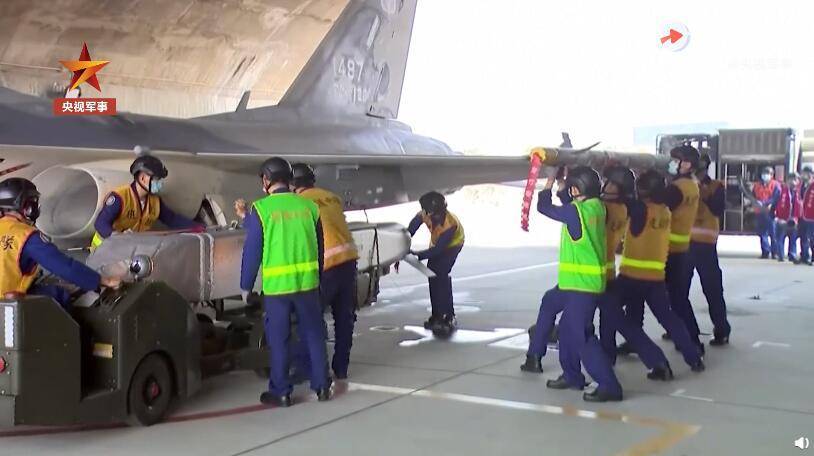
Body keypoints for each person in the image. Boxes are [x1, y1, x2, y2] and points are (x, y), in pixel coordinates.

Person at [240, 157, 331, 406]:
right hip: (308, 284)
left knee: (279, 339)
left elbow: (252, 252)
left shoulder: (262, 209)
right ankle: (323, 386)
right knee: (314, 334)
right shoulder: (309, 207)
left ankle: (281, 391)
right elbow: (320, 248)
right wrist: (318, 279)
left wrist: (246, 286)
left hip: (278, 289)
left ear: (266, 179)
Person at [532, 166, 623, 402]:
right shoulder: (596, 206)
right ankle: (572, 375)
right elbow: (569, 202)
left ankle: (609, 385)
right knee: (563, 324)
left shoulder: (576, 212)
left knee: (580, 335)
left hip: (581, 287)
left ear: (576, 189)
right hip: (577, 284)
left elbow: (544, 207)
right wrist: (563, 182)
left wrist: (549, 180)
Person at [615, 170, 706, 372]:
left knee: (610, 309)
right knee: (668, 318)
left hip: (632, 276)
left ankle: (614, 353)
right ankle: (693, 357)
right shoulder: (664, 210)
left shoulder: (641, 210)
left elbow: (621, 200)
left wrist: (616, 183)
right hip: (655, 277)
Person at [595, 166, 674, 380]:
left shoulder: (602, 208)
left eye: (610, 182)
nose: (605, 185)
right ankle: (612, 356)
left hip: (592, 276)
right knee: (613, 319)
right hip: (607, 273)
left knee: (612, 320)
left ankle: (598, 363)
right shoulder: (621, 208)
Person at [0, 178, 120, 308]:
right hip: (6, 305)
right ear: (27, 208)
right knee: (59, 296)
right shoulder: (25, 235)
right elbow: (64, 266)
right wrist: (103, 280)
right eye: (33, 202)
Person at [291, 163, 359, 379]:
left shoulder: (299, 203)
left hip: (326, 266)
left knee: (310, 317)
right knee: (344, 317)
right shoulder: (332, 197)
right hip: (348, 261)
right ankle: (341, 367)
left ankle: (308, 368)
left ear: (293, 184)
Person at [91, 155, 203, 249]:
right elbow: (100, 223)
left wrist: (197, 228)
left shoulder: (155, 202)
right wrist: (116, 237)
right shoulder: (120, 197)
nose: (159, 184)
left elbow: (172, 219)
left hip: (127, 250)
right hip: (103, 249)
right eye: (156, 180)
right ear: (143, 178)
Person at [655, 145, 704, 352]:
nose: (673, 163)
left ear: (688, 164)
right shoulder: (691, 184)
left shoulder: (677, 188)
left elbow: (656, 203)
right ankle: (688, 336)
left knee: (674, 299)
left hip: (671, 251)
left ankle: (691, 341)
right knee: (678, 298)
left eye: (676, 160)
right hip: (682, 248)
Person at [407, 191, 465, 337]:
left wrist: (417, 255)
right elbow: (411, 230)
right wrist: (403, 243)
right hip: (438, 244)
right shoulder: (425, 213)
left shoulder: (450, 224)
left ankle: (449, 316)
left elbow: (438, 250)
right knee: (432, 275)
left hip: (452, 246)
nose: (434, 217)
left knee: (441, 274)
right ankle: (437, 315)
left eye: (437, 214)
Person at [688, 154, 731, 346]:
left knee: (712, 289)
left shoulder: (715, 186)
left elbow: (717, 209)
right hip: (684, 243)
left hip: (705, 245)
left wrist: (702, 191)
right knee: (677, 290)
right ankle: (683, 330)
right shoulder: (683, 185)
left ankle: (721, 329)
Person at [751, 166, 781, 259]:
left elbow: (776, 197)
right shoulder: (757, 185)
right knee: (762, 232)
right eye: (764, 173)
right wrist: (755, 203)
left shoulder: (776, 185)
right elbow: (753, 196)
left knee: (773, 233)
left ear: (772, 175)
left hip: (771, 212)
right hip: (760, 211)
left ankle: (775, 252)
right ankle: (765, 251)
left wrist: (766, 203)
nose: (765, 175)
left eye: (768, 173)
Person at [774, 173, 801, 263]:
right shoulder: (781, 190)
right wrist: (776, 217)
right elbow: (775, 203)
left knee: (793, 239)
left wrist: (797, 219)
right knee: (780, 238)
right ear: (787, 180)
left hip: (794, 219)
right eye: (791, 179)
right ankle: (780, 255)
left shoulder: (799, 192)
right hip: (783, 219)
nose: (793, 182)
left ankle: (792, 255)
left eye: (795, 180)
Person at [799, 166, 814, 266]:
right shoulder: (801, 185)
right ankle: (804, 256)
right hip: (802, 215)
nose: (803, 175)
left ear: (810, 174)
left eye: (805, 173)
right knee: (803, 236)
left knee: (812, 237)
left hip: (812, 216)